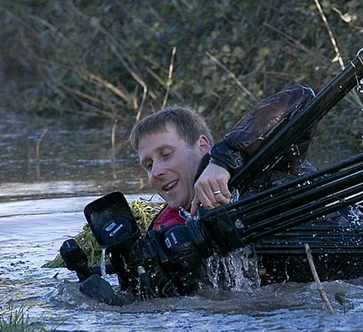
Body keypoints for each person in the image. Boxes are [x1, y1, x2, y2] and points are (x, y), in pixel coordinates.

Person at [130, 85, 317, 231]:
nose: (156, 172)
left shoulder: (258, 166)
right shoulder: (169, 230)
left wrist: (224, 160)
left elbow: (302, 96)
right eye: (149, 164)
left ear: (202, 146)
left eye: (166, 155)